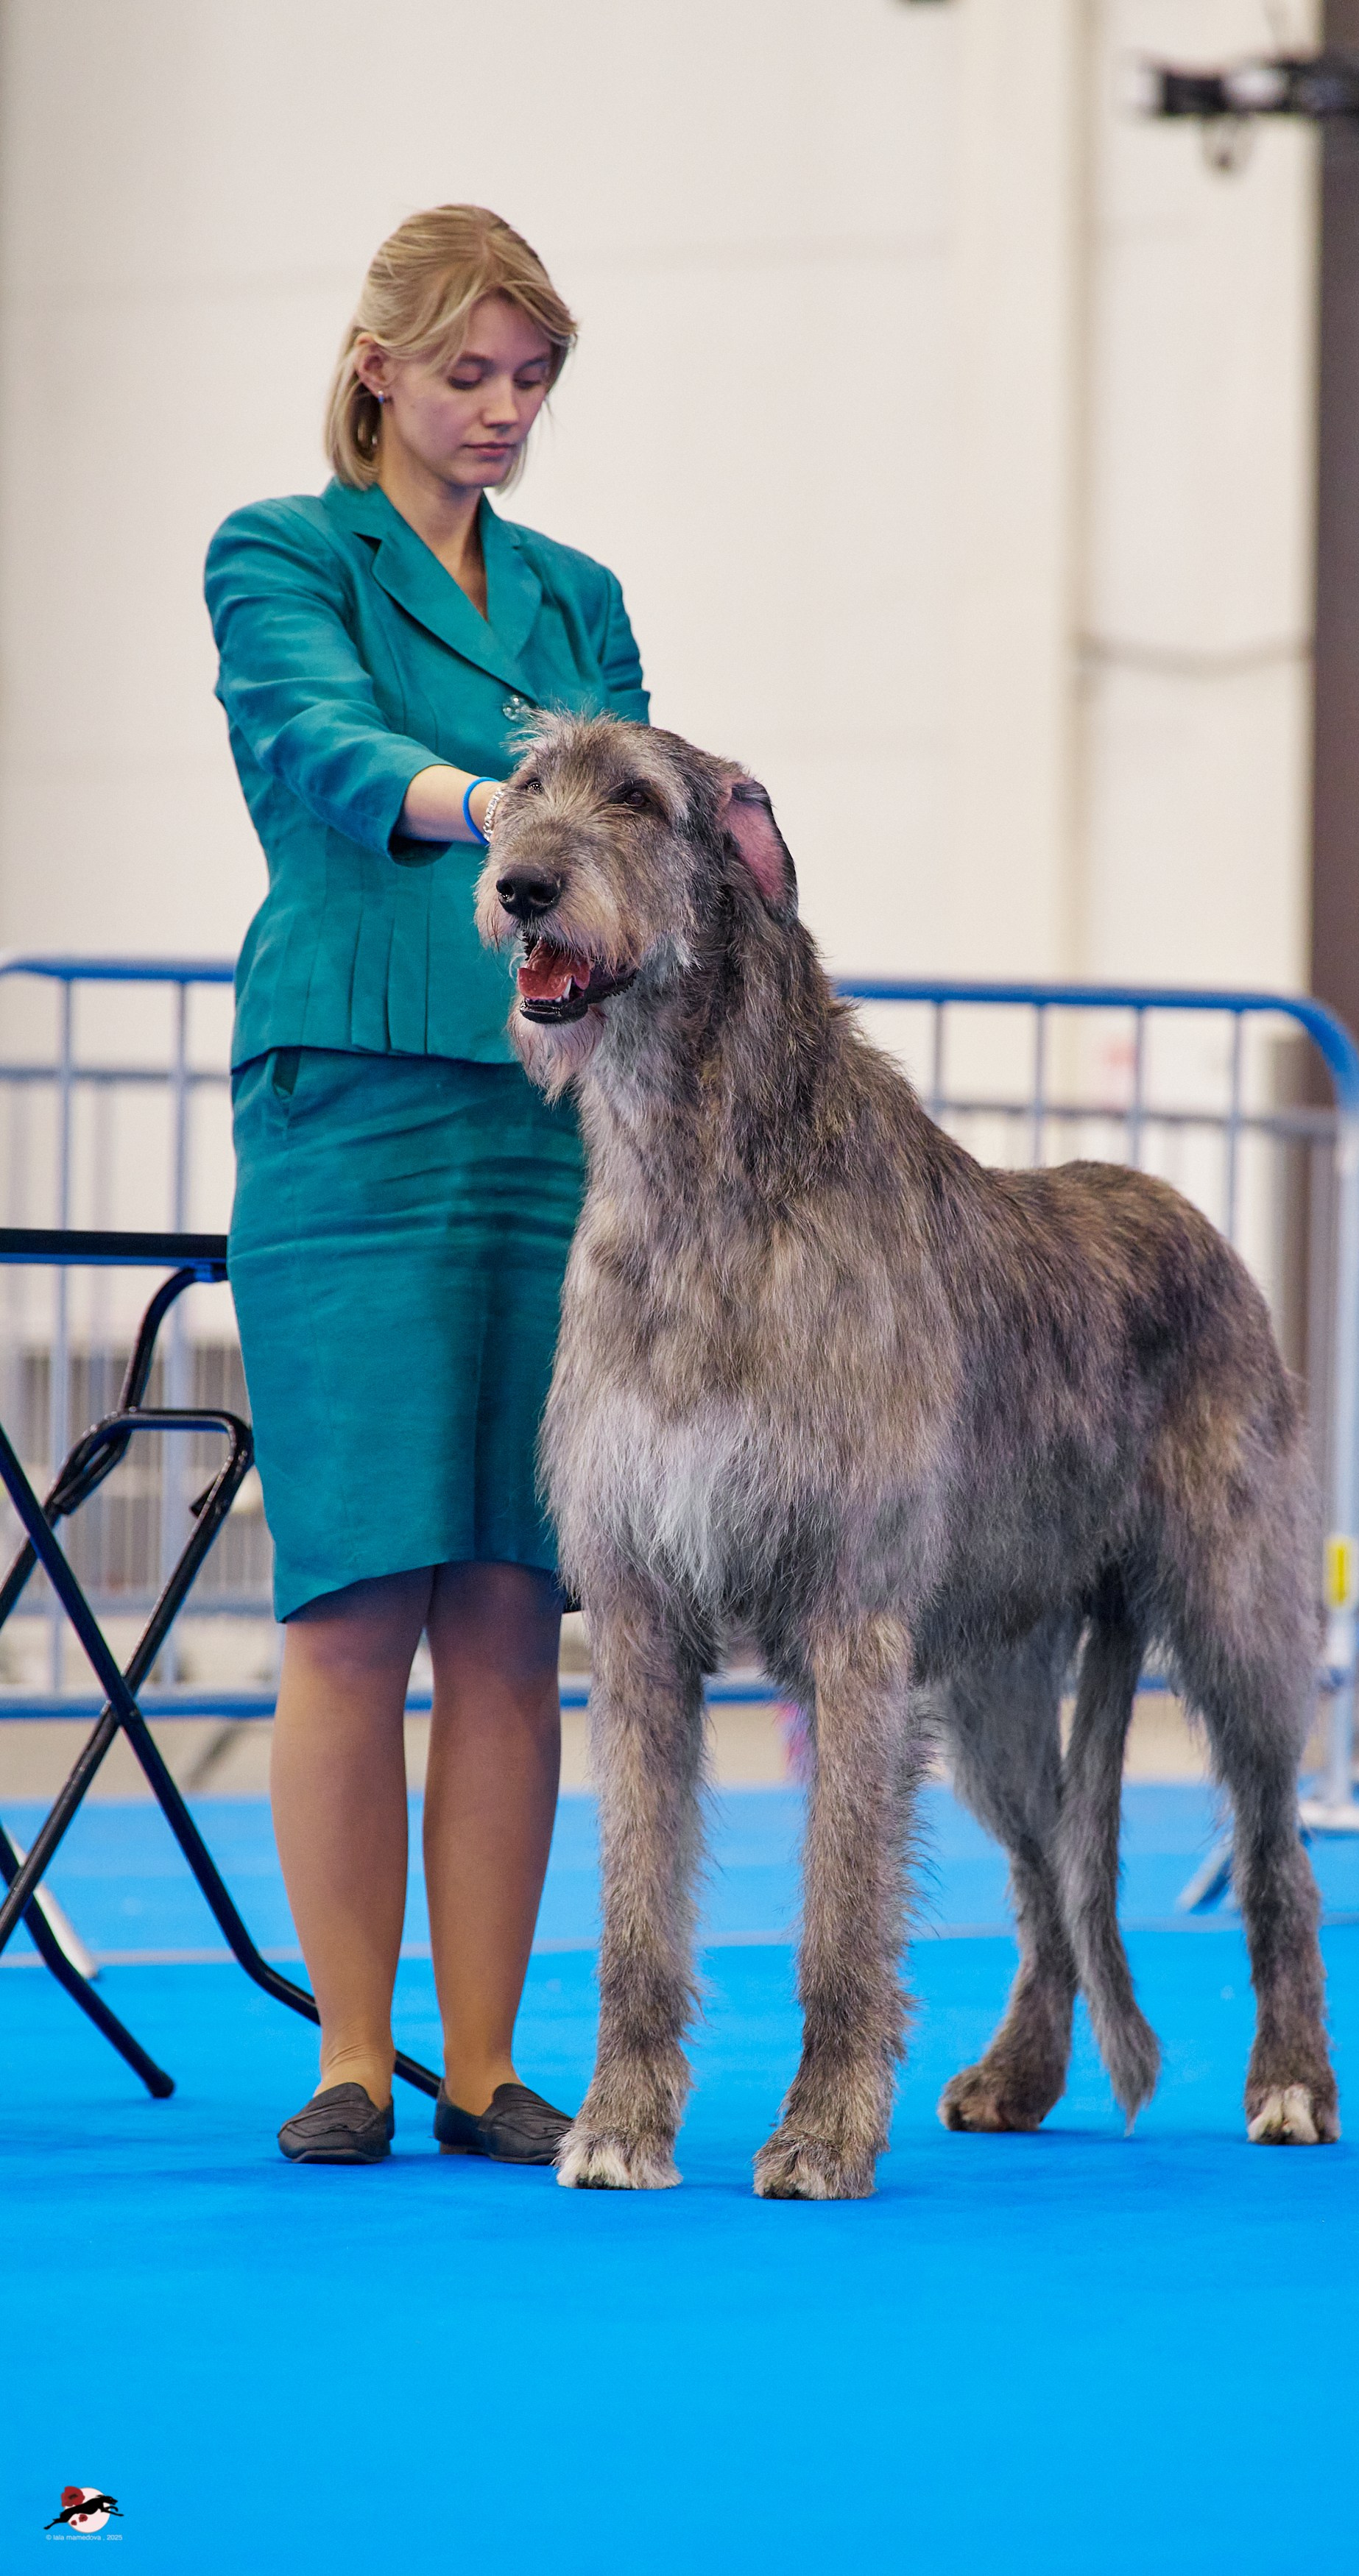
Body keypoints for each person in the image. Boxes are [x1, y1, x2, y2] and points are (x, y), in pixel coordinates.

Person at [205, 205, 647, 2166]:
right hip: (356, 1105)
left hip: (556, 1118)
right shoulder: (283, 553)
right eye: (468, 374)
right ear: (378, 366)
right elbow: (317, 752)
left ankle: (483, 2068)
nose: (502, 413)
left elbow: (642, 827)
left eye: (531, 380)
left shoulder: (579, 594)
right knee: (352, 1596)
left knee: (508, 1594)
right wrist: (512, 807)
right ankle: (352, 2061)